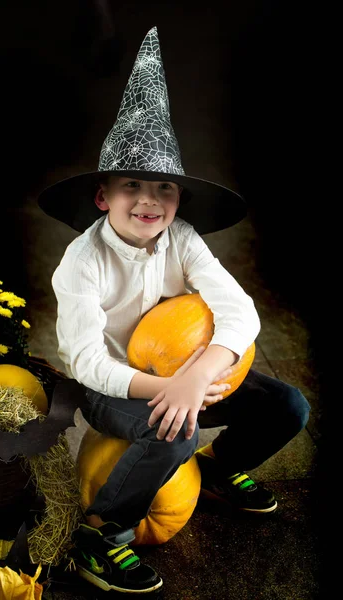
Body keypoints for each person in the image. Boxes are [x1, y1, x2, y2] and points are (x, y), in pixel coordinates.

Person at [38, 26, 310, 595]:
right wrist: (165, 392)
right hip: (115, 385)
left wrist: (199, 374)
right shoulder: (80, 262)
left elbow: (239, 310)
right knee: (174, 432)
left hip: (186, 372)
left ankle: (215, 472)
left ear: (179, 198)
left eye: (163, 187)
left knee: (288, 405)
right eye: (131, 185)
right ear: (102, 195)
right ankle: (100, 532)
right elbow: (86, 359)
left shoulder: (183, 239)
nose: (148, 200)